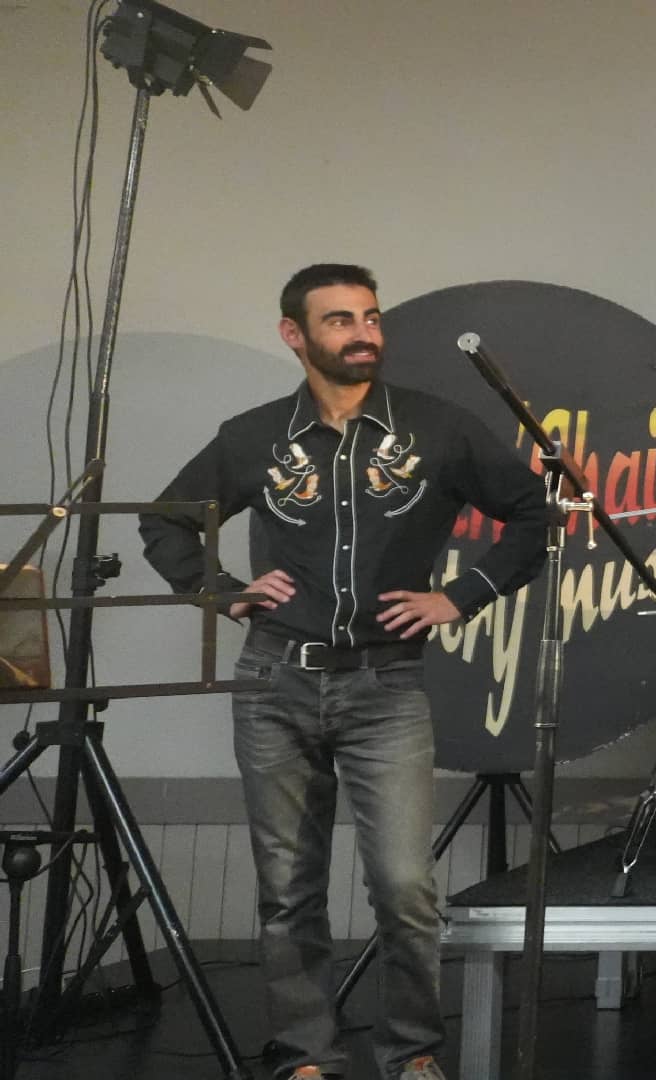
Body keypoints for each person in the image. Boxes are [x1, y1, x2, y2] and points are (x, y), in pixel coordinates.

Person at [139, 264, 546, 1080]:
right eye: (339, 321)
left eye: (370, 317)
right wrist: (221, 593)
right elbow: (167, 523)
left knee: (403, 888)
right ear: (295, 335)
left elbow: (535, 512)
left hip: (385, 686)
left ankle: (413, 1052)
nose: (364, 333)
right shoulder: (253, 436)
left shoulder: (438, 428)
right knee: (288, 889)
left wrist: (461, 595)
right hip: (273, 684)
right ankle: (306, 1059)